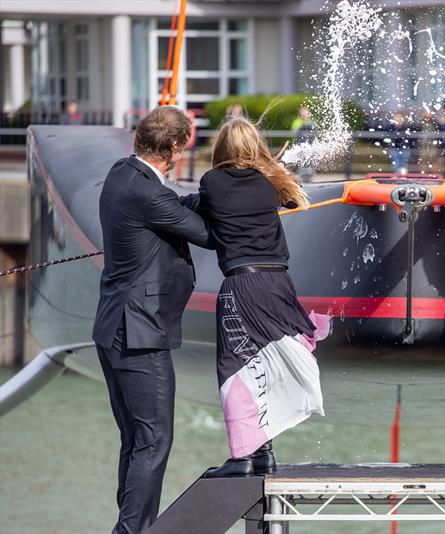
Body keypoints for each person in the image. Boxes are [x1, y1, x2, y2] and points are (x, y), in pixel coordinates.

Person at [92, 106, 212, 533]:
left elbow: (173, 205)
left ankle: (128, 526)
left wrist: (204, 199)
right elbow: (206, 234)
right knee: (155, 441)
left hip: (113, 328)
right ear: (177, 148)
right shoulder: (151, 195)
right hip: (139, 334)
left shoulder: (122, 174)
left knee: (136, 440)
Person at [198, 115, 328, 477]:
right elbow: (289, 202)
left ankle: (242, 458)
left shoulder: (212, 182)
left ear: (222, 149)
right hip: (279, 285)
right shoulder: (273, 181)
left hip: (243, 284)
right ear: (256, 146)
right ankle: (264, 454)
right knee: (266, 363)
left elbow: (203, 212)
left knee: (235, 366)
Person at [291, 106, 316, 181]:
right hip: (300, 146)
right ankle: (300, 179)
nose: (305, 114)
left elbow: (314, 131)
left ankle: (309, 178)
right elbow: (294, 132)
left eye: (306, 112)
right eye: (303, 112)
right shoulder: (297, 121)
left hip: (310, 147)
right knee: (299, 164)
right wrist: (303, 124)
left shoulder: (311, 122)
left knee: (309, 163)